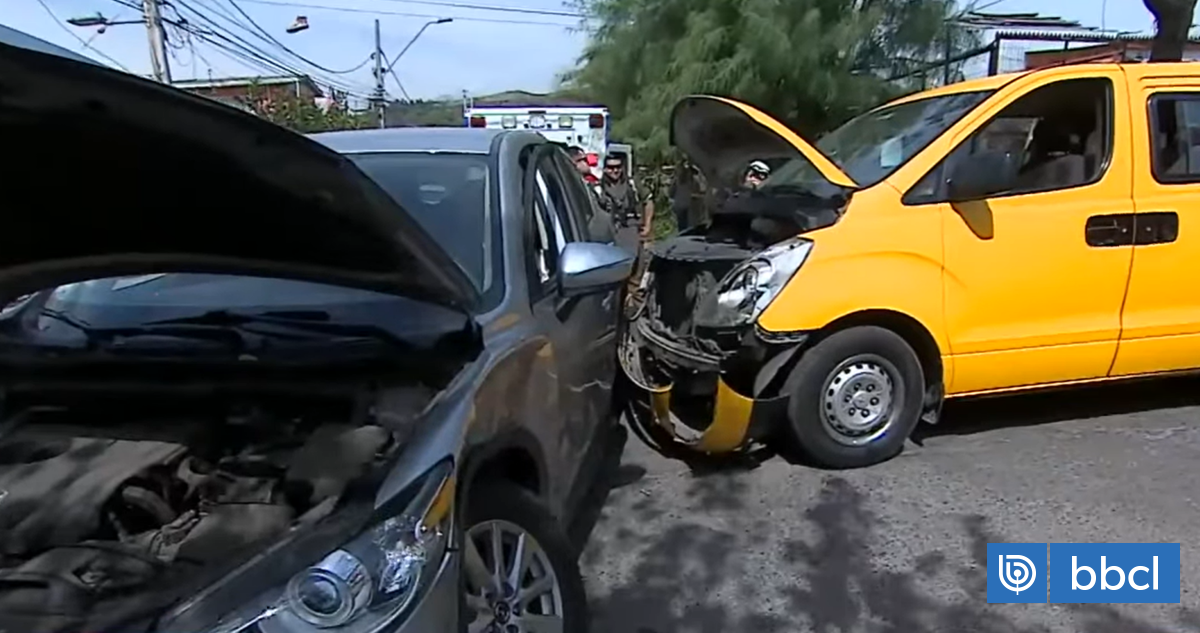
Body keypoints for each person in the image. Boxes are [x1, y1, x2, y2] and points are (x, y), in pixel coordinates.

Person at [598, 154, 653, 304]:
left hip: (631, 229)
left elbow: (648, 201)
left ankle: (631, 303)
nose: (614, 171)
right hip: (611, 233)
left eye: (617, 167)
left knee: (636, 271)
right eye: (610, 167)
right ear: (604, 169)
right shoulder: (598, 188)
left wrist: (647, 225)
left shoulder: (633, 184)